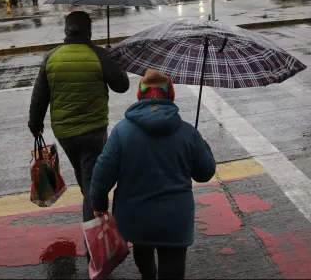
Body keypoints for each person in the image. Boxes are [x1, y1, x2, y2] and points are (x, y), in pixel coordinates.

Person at [90, 69, 216, 279]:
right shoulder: (187, 132)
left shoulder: (122, 132)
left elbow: (102, 173)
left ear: (140, 94)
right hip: (175, 219)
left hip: (134, 216)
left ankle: (148, 273)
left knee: (142, 244)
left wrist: (98, 205)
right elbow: (205, 173)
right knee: (173, 267)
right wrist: (201, 143)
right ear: (170, 95)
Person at [28, 11, 130, 223]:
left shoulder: (52, 57)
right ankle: (93, 238)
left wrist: (35, 124)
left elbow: (39, 97)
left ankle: (92, 207)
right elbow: (122, 86)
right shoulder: (98, 54)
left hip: (65, 133)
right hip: (93, 131)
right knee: (91, 180)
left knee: (84, 174)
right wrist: (114, 61)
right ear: (89, 30)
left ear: (66, 30)